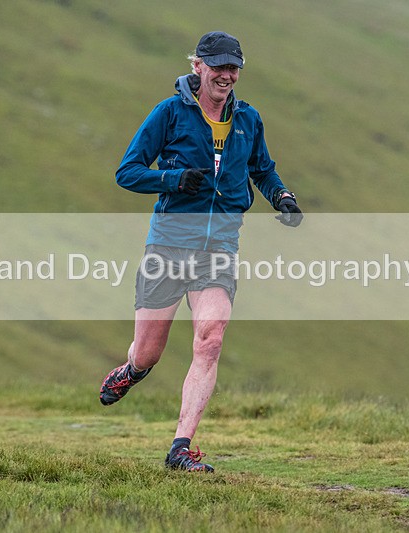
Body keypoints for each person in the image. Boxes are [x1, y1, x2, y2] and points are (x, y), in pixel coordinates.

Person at [99, 31, 302, 473]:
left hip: (219, 249)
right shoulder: (169, 114)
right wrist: (172, 181)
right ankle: (131, 369)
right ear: (198, 67)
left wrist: (281, 196)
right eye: (219, 67)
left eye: (234, 68)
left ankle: (180, 448)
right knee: (149, 353)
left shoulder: (248, 120)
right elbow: (127, 172)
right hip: (169, 247)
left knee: (210, 338)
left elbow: (262, 169)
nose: (227, 75)